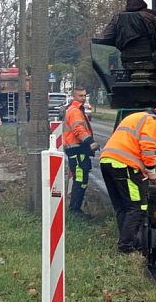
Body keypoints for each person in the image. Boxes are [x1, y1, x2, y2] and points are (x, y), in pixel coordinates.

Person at [99, 105, 156, 254]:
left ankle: (126, 240)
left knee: (122, 207)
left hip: (107, 162)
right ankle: (127, 246)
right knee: (137, 207)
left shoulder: (136, 117)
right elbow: (148, 146)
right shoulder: (153, 122)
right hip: (123, 165)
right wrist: (151, 172)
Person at [99, 0, 156, 69]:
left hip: (126, 61)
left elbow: (107, 36)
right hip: (152, 60)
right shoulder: (151, 15)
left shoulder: (118, 17)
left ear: (128, 0)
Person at [64, 86, 100, 216]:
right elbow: (78, 130)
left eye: (85, 95)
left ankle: (76, 208)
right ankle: (75, 209)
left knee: (81, 179)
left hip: (79, 150)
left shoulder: (78, 110)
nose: (83, 98)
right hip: (76, 150)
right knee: (80, 179)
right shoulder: (74, 111)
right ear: (74, 96)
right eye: (80, 96)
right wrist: (90, 142)